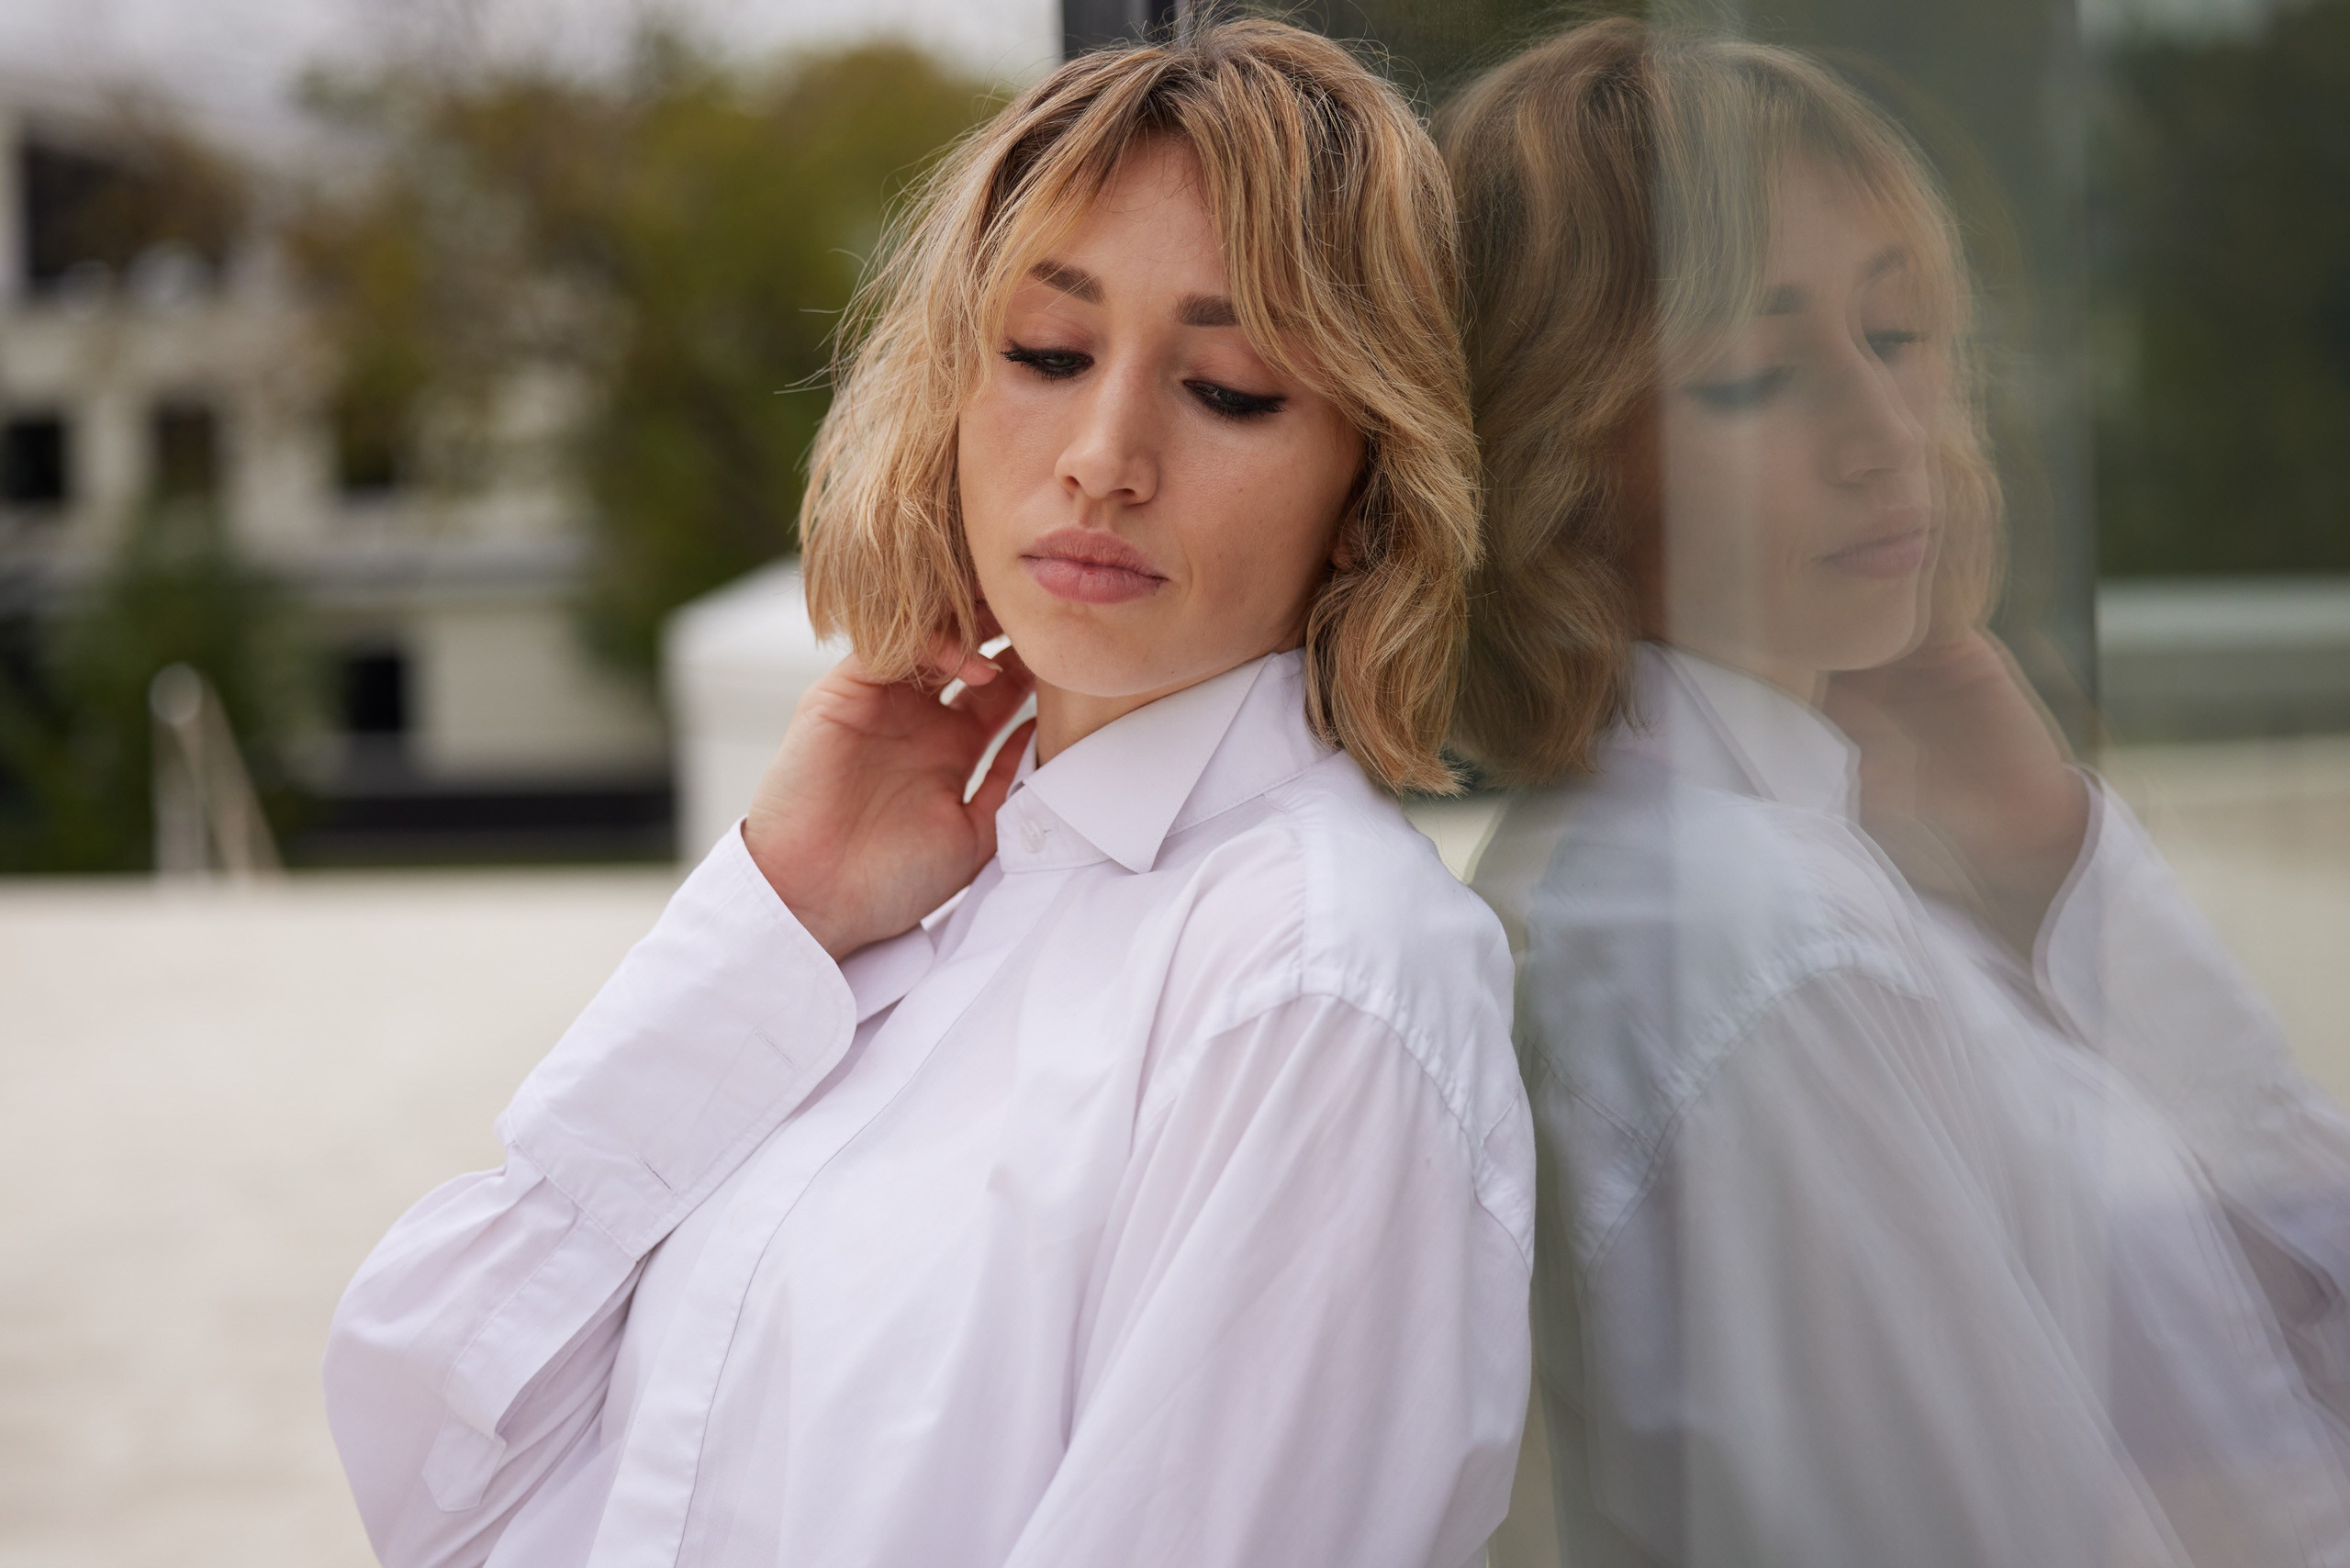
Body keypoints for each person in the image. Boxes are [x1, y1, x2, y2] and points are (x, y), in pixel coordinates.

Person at [323, 23, 1534, 1568]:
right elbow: (435, 1456)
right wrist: (777, 916)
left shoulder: (1321, 980)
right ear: (954, 386)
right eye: (1046, 354)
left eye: (1229, 388)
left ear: (1372, 483)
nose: (1104, 457)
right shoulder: (925, 906)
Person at [1441, 20, 2350, 1567]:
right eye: (1753, 376)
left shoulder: (1847, 869)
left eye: (1900, 334)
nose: (1887, 435)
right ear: (1553, 464)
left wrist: (2051, 861)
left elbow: (2286, 1339)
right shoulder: (1745, 937)